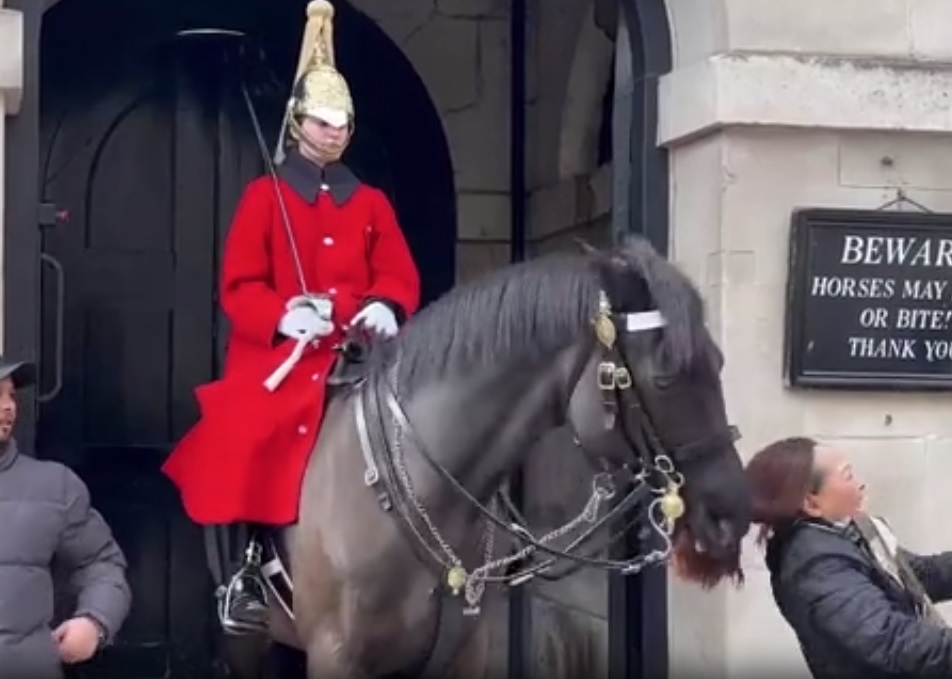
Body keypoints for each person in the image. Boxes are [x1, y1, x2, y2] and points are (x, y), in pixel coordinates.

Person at [161, 0, 420, 636]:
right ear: (299, 124)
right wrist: (285, 315)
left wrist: (385, 307)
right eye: (322, 122)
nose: (332, 133)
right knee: (255, 431)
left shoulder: (372, 203)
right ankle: (251, 564)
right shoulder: (264, 197)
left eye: (341, 124)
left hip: (361, 352)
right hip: (284, 357)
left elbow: (398, 274)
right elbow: (239, 287)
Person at [746, 436, 952, 677]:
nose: (861, 483)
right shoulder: (815, 566)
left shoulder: (848, 531)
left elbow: (916, 577)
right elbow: (891, 642)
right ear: (812, 503)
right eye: (848, 475)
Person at [0, 356, 131, 678]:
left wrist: (95, 621)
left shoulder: (54, 485)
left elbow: (101, 565)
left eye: (12, 396)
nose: (8, 408)